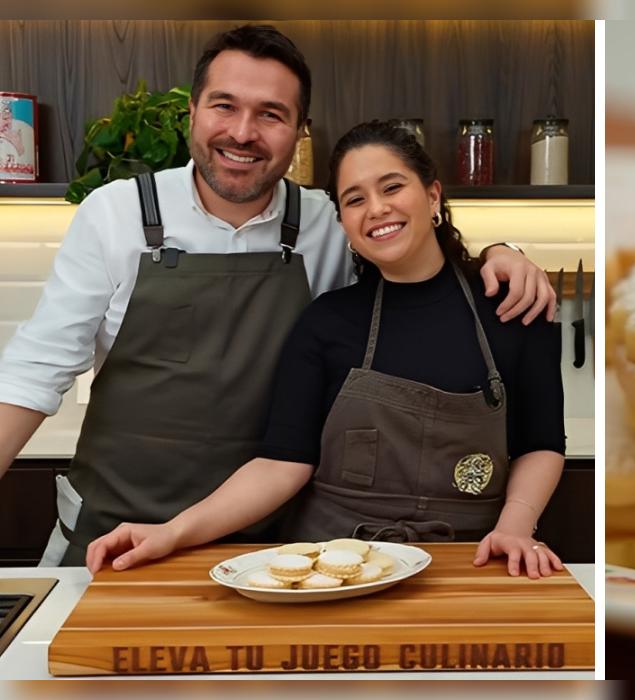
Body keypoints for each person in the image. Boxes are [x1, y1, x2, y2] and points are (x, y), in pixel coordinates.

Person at [0, 25, 555, 567]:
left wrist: (499, 255)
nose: (243, 132)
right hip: (114, 533)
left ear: (297, 132)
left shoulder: (323, 222)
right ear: (191, 112)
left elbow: (411, 255)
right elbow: (35, 369)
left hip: (267, 544)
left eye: (270, 114)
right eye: (224, 106)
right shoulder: (115, 213)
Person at [86, 120, 566, 578]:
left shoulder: (514, 305)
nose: (376, 208)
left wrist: (514, 528)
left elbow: (541, 442)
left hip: (473, 558)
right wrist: (172, 533)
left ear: (433, 194)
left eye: (392, 187)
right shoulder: (326, 321)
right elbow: (282, 464)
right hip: (333, 562)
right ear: (343, 223)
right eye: (355, 199)